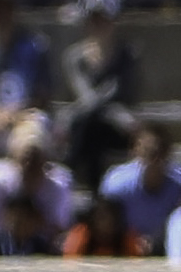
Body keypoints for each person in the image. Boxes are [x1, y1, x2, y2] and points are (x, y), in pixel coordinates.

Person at [61, 0, 140, 191]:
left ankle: (69, 167)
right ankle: (95, 192)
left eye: (104, 20)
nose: (98, 25)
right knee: (91, 129)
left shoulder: (128, 55)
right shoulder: (75, 57)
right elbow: (87, 96)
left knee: (89, 126)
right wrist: (113, 112)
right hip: (100, 121)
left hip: (116, 128)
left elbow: (122, 92)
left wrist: (71, 115)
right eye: (94, 20)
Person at [0, 117, 73, 254]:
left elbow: (59, 231)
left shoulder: (58, 184)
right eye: (25, 158)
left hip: (39, 252)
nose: (30, 164)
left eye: (36, 158)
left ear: (46, 159)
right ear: (13, 158)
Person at [0, 0, 52, 164]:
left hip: (26, 115)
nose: (0, 13)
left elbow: (43, 94)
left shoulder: (36, 45)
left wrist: (15, 113)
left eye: (6, 7)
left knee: (29, 143)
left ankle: (24, 188)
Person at [102, 123, 181, 252]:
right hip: (123, 249)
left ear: (169, 152)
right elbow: (103, 223)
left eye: (160, 151)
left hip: (170, 248)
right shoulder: (116, 182)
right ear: (135, 150)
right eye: (149, 152)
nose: (155, 159)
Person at [62, 188, 144, 256]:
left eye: (107, 217)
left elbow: (135, 267)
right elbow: (71, 266)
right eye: (99, 216)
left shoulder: (127, 238)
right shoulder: (80, 234)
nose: (102, 221)